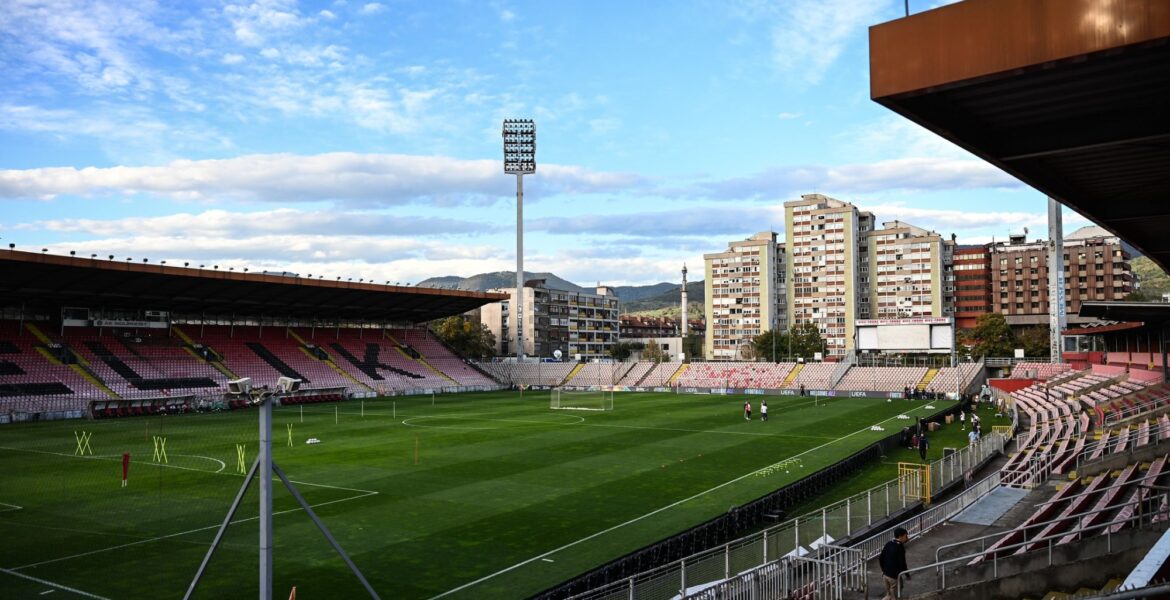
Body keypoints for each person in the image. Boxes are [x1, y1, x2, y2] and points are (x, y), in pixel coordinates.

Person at [880, 527, 910, 599]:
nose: (907, 538)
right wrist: (907, 575)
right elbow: (902, 563)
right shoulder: (900, 547)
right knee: (895, 596)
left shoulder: (889, 543)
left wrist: (883, 570)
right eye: (906, 536)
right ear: (900, 536)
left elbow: (881, 558)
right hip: (894, 577)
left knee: (889, 595)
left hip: (885, 575)